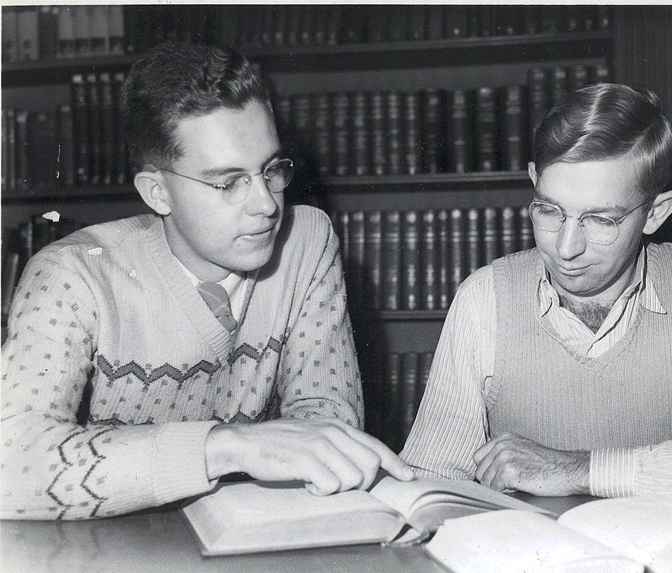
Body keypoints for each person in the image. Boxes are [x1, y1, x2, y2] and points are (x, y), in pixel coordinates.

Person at [1, 41, 413, 520]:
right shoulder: (72, 274)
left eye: (270, 170)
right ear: (157, 192)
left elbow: (327, 426)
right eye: (228, 181)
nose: (266, 204)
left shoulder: (306, 241)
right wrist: (224, 447)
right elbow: (11, 464)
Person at [400, 83, 672, 505]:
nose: (566, 247)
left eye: (601, 220)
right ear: (534, 180)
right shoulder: (483, 298)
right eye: (549, 210)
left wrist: (578, 470)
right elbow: (429, 485)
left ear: (655, 213)